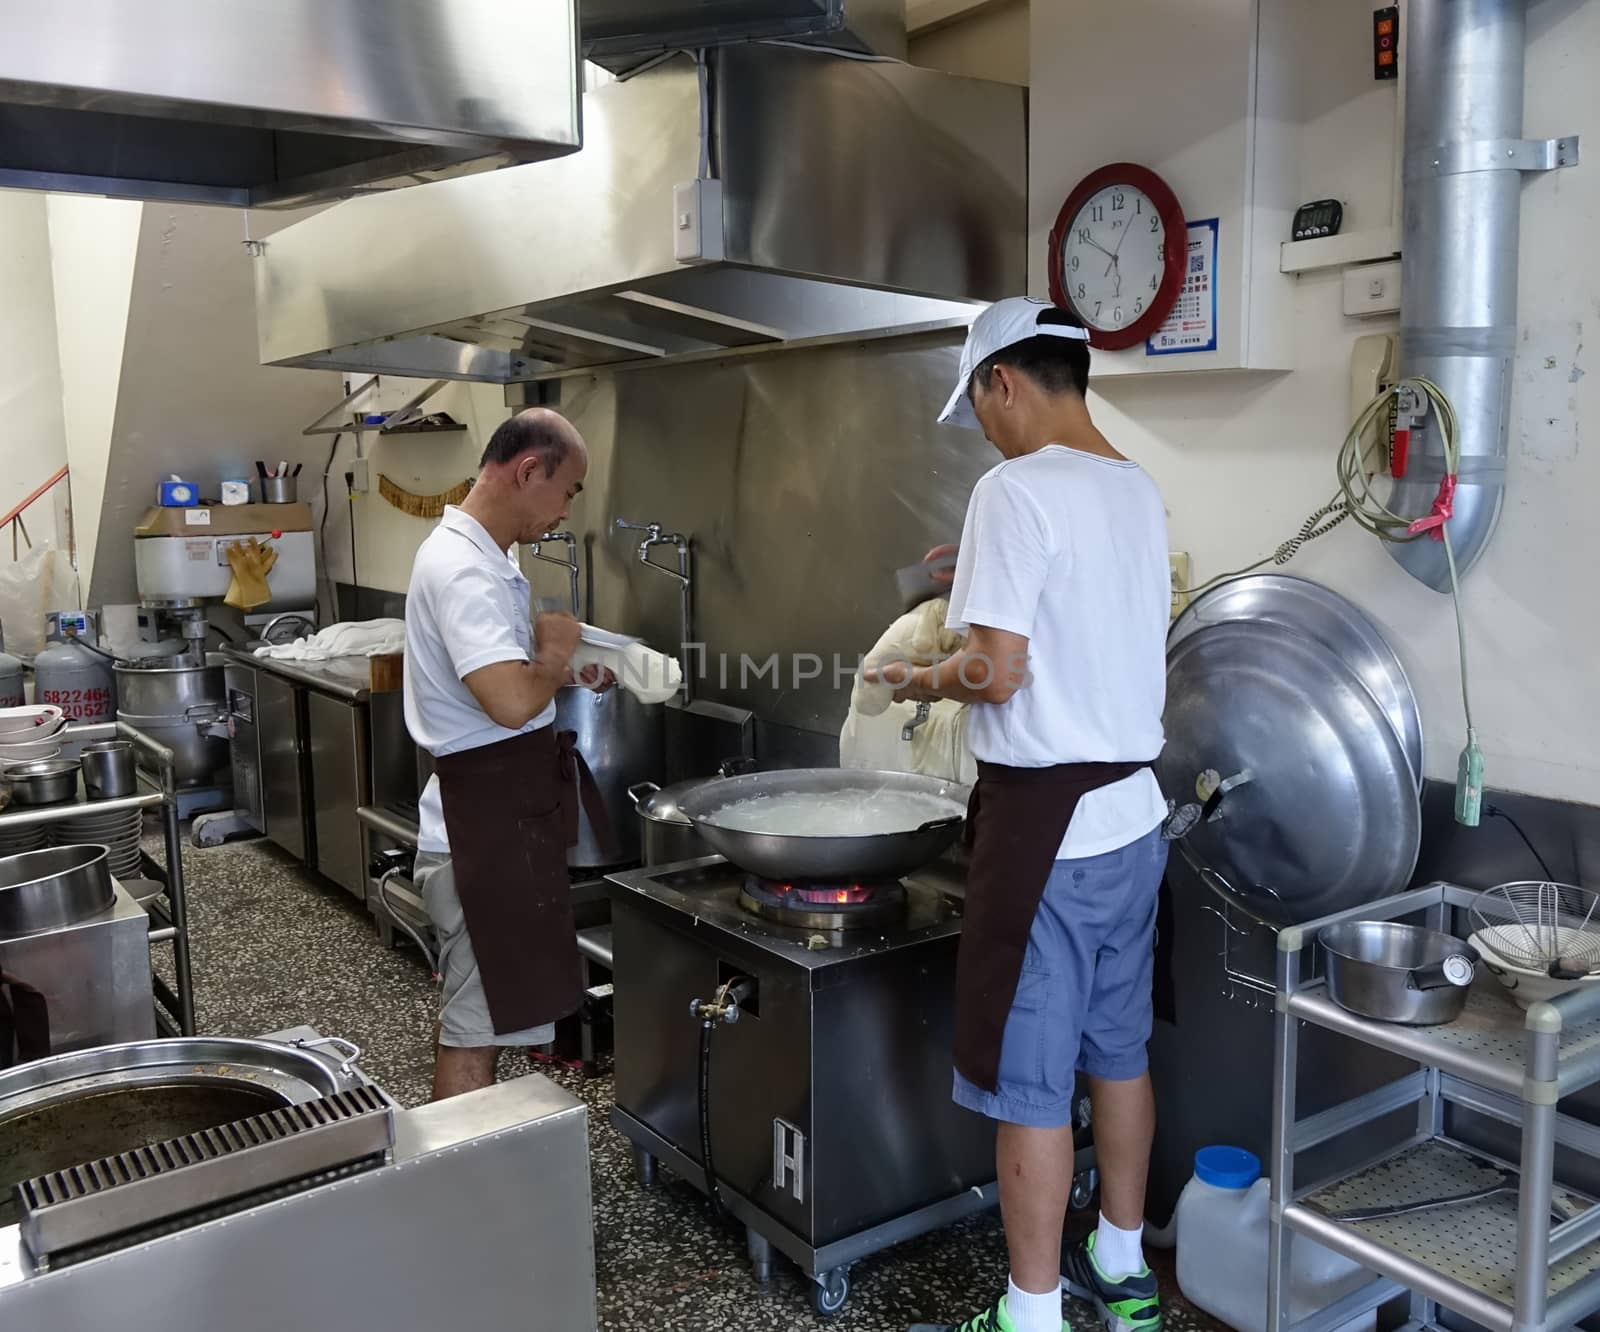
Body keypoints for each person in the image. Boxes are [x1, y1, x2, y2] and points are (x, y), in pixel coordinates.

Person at [868, 298, 1171, 1332]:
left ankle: (1029, 1314)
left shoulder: (1013, 489)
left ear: (1003, 380)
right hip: (1133, 820)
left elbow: (996, 673)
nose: (983, 432)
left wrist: (919, 676)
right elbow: (1079, 621)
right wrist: (980, 586)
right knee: (1119, 1052)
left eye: (979, 408)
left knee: (1030, 1086)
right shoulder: (1133, 488)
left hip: (1049, 835)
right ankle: (1124, 1272)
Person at [403, 407, 608, 1102]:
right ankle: (460, 1192)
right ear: (528, 470)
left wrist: (568, 670)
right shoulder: (462, 568)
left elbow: (507, 678)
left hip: (496, 824)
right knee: (473, 1027)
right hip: (479, 837)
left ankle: (476, 1178)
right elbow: (511, 703)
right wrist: (553, 650)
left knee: (487, 1014)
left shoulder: (487, 557)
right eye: (568, 491)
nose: (564, 513)